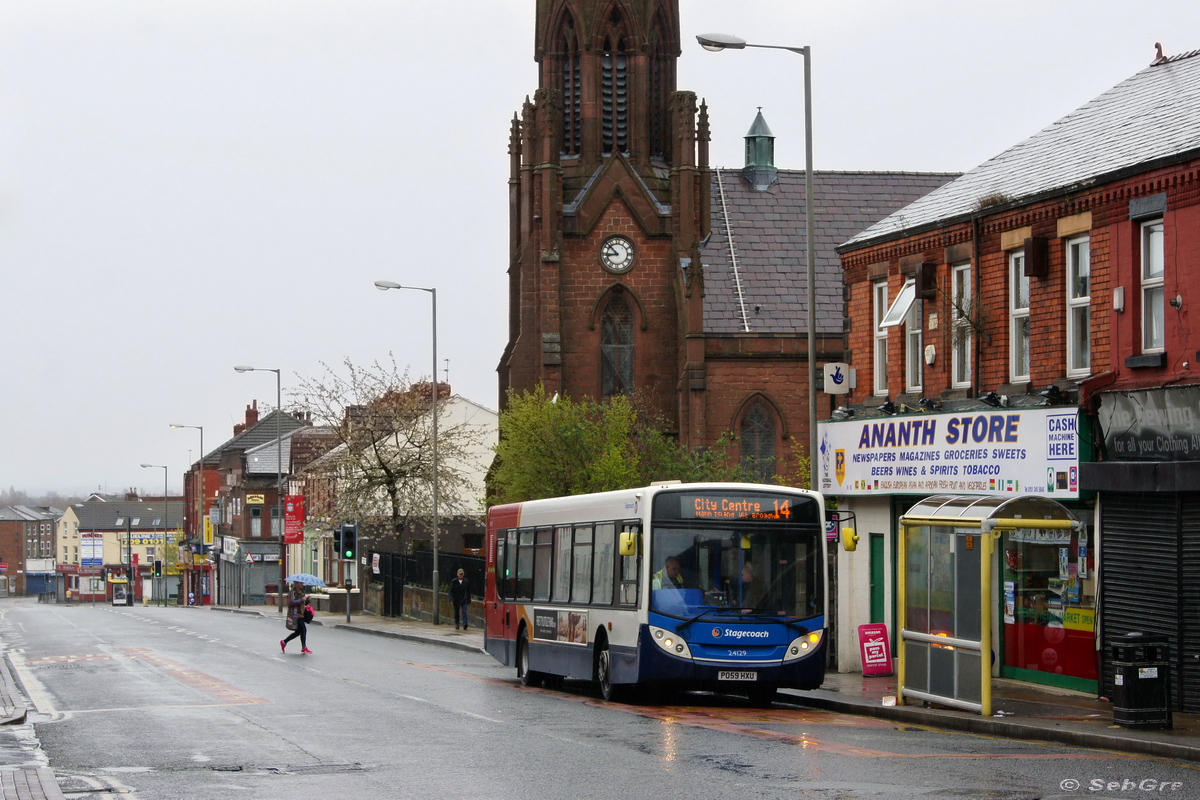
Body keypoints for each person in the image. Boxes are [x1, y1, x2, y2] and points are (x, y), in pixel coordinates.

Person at [280, 581, 312, 654]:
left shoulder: (302, 592)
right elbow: (291, 602)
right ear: (296, 584)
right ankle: (304, 647)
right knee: (303, 630)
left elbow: (303, 603)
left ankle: (284, 642)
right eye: (300, 583)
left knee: (298, 632)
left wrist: (307, 600)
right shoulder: (292, 592)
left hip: (301, 613)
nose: (302, 585)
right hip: (295, 614)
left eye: (302, 583)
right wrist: (301, 600)